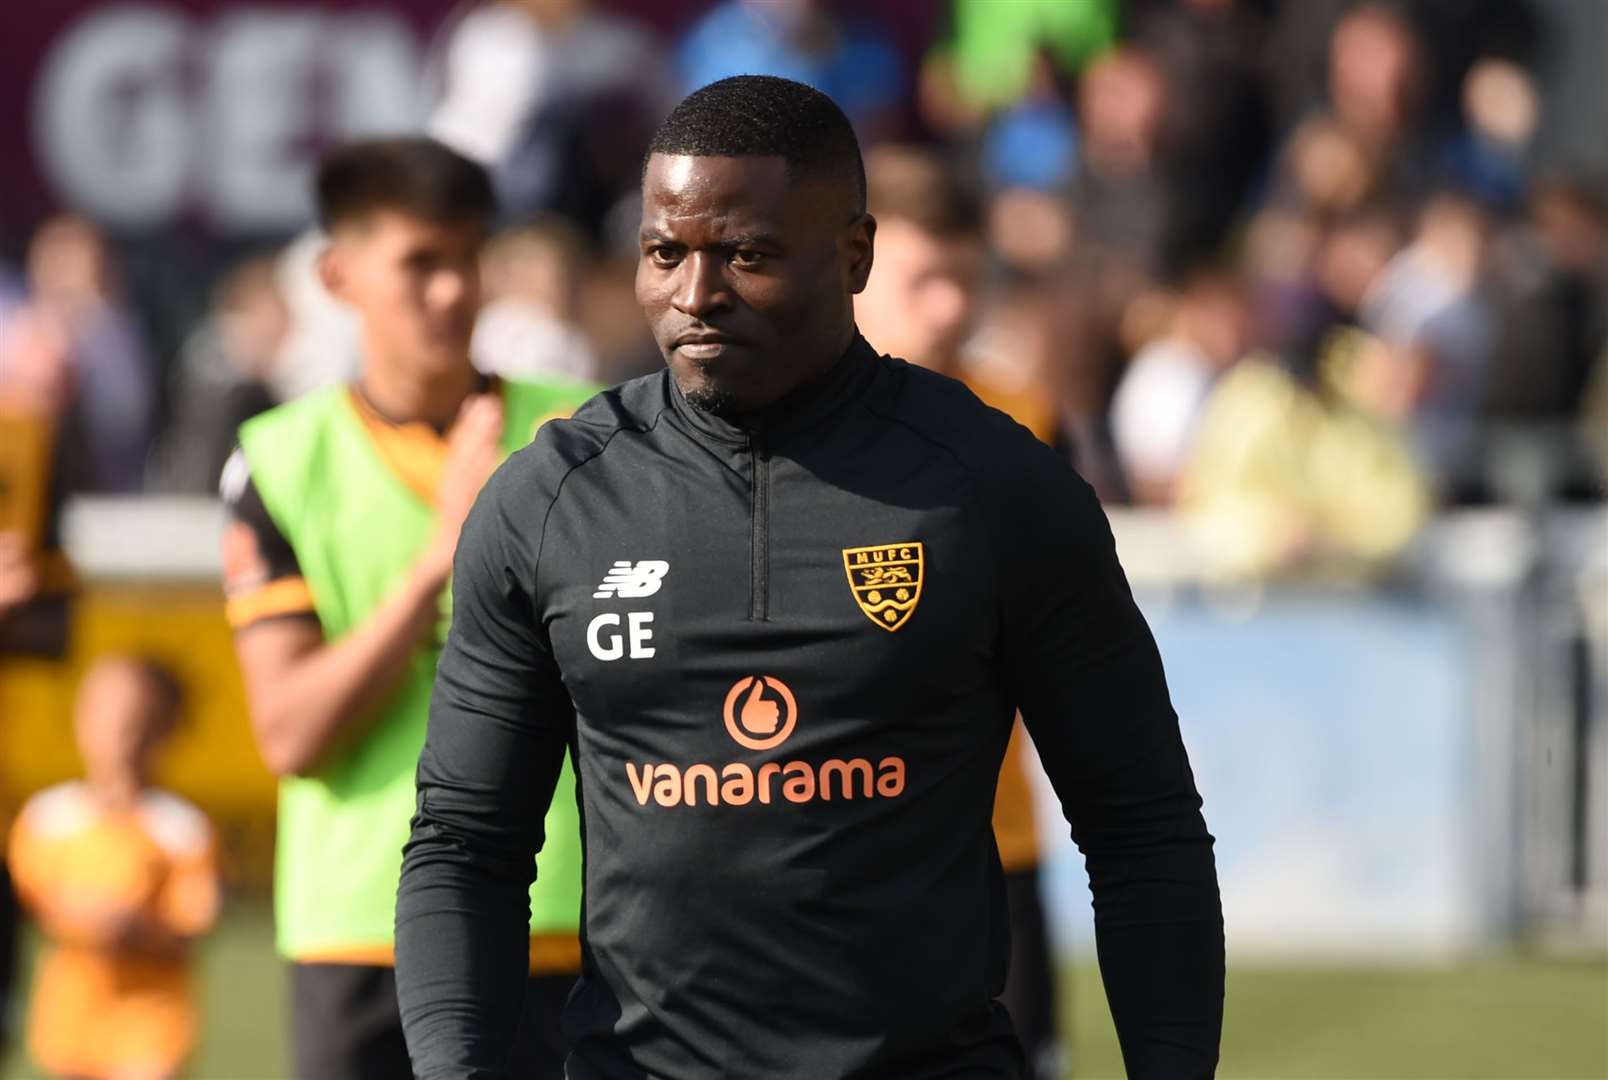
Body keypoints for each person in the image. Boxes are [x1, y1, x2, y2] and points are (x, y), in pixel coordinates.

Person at [397, 76, 1224, 1079]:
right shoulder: (550, 500)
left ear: (855, 253)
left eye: (746, 255)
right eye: (666, 254)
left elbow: (1141, 829)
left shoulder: (998, 488)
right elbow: (463, 847)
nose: (696, 296)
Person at [221, 137, 595, 1080]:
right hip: (360, 934)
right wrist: (440, 561)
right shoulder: (278, 462)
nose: (452, 291)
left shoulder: (587, 437)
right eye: (418, 264)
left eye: (468, 257)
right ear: (336, 275)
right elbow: (290, 733)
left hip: (561, 922)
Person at [852, 142, 1063, 1079]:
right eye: (924, 279)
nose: (951, 308)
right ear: (852, 270)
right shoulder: (768, 429)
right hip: (827, 852)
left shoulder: (1024, 419)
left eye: (965, 279)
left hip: (990, 845)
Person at [7, 656, 219, 1080]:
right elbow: (30, 901)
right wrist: (74, 915)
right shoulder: (47, 817)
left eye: (132, 720)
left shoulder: (182, 829)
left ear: (163, 729)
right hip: (69, 1022)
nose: (115, 734)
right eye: (99, 712)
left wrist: (134, 930)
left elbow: (193, 925)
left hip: (149, 1023)